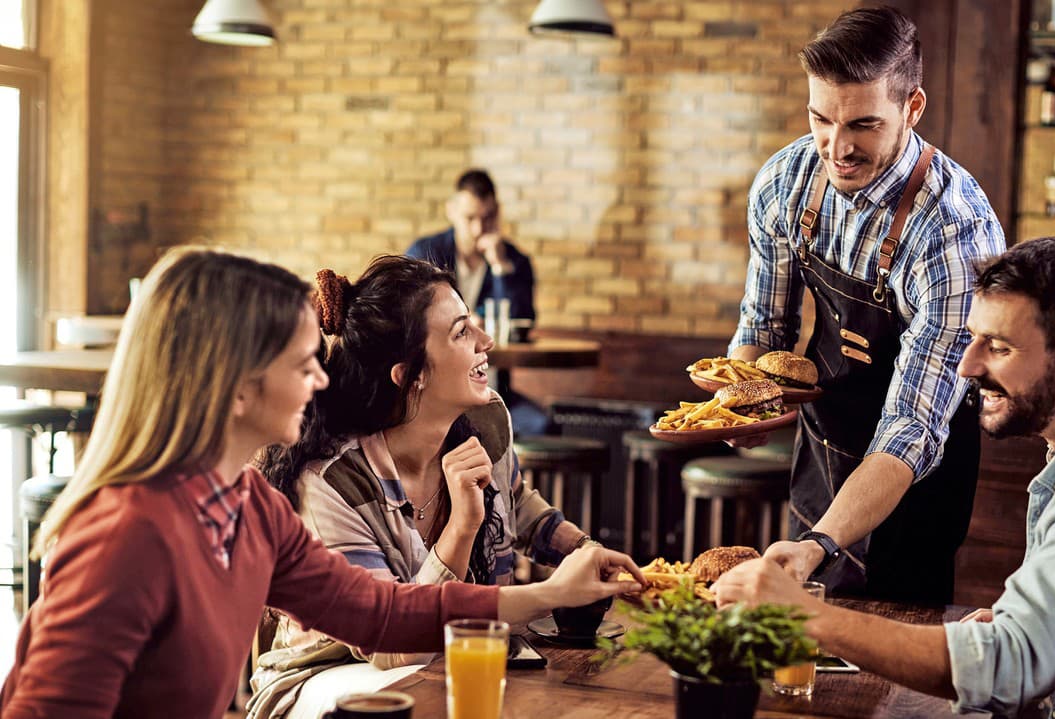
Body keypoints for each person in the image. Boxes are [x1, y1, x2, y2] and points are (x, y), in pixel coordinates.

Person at [0, 248, 643, 719]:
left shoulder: (248, 510)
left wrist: (550, 592)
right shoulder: (127, 537)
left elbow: (382, 612)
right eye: (303, 362)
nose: (321, 379)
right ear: (239, 386)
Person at [715, 237, 1055, 718]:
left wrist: (806, 617)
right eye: (972, 339)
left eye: (999, 347)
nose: (968, 366)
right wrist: (1025, 621)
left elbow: (1008, 672)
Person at [729, 6, 1005, 601]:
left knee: (891, 679)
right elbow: (765, 325)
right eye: (820, 120)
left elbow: (911, 427)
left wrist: (820, 545)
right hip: (821, 458)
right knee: (798, 669)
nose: (836, 147)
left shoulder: (954, 234)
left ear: (912, 108)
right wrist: (743, 404)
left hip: (911, 491)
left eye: (863, 125)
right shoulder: (786, 183)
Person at [247, 255, 595, 718]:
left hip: (449, 654)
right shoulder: (333, 484)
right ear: (412, 375)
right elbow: (394, 645)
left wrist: (582, 551)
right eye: (461, 332)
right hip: (328, 679)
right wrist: (463, 527)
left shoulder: (484, 422)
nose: (486, 342)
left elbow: (518, 504)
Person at [406, 169, 548, 437]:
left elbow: (521, 325)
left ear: (498, 213)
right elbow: (409, 321)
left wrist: (499, 268)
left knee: (541, 425)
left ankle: (512, 480)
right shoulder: (424, 254)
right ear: (451, 211)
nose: (478, 229)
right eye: (470, 218)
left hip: (493, 388)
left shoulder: (515, 262)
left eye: (488, 217)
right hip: (435, 392)